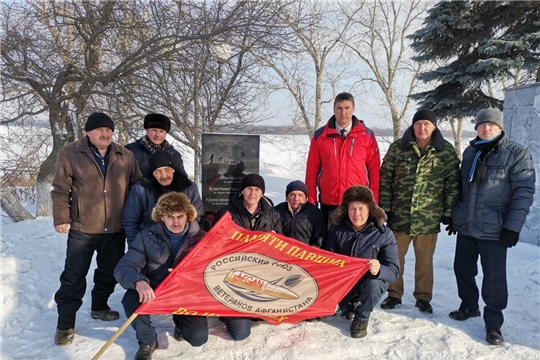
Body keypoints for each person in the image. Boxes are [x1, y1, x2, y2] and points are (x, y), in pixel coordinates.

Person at [51, 112, 141, 345]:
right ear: (88, 132)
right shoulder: (70, 152)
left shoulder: (125, 155)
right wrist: (62, 217)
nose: (105, 134)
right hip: (83, 227)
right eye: (100, 130)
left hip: (115, 228)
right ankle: (65, 324)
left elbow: (137, 188)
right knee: (73, 275)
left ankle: (100, 306)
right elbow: (61, 189)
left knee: (109, 272)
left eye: (109, 130)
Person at [448, 108, 535, 346]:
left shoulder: (516, 154)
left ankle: (493, 323)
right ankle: (469, 306)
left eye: (491, 125)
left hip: (495, 229)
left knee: (494, 279)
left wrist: (512, 228)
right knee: (462, 269)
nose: (486, 128)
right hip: (467, 226)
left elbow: (523, 193)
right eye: (482, 124)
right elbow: (462, 189)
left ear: (500, 128)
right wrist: (455, 217)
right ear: (476, 127)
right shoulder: (470, 152)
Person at [378, 109, 461, 314]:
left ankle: (423, 297)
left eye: (426, 124)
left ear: (434, 126)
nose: (422, 128)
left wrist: (448, 212)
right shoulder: (398, 148)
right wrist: (386, 209)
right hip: (400, 215)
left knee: (425, 260)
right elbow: (385, 178)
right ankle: (394, 294)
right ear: (412, 126)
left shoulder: (445, 151)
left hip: (428, 217)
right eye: (418, 124)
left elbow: (453, 183)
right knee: (395, 258)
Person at [115, 192, 208, 360]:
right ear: (161, 217)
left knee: (198, 338)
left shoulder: (201, 238)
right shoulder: (145, 236)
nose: (176, 222)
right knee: (130, 299)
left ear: (188, 215)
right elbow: (124, 267)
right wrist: (139, 282)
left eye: (180, 216)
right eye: (170, 216)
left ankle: (180, 322)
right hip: (155, 287)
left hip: (185, 292)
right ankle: (148, 341)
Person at [212, 173, 282, 339]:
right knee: (241, 333)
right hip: (232, 275)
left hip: (261, 273)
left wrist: (273, 241)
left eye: (257, 189)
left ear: (262, 193)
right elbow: (214, 244)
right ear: (242, 191)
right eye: (249, 188)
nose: (252, 193)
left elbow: (281, 247)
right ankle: (227, 311)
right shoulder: (226, 213)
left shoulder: (272, 215)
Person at [325, 185, 399, 339]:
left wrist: (379, 269)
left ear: (370, 209)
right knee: (327, 312)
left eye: (361, 208)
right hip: (344, 283)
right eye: (352, 208)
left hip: (369, 282)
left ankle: (362, 316)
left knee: (374, 284)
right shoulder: (337, 231)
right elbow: (327, 260)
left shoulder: (384, 234)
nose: (356, 213)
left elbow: (394, 271)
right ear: (346, 210)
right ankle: (347, 306)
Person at [305, 92, 381, 228]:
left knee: (355, 245)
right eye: (339, 108)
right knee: (329, 245)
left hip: (357, 203)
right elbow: (312, 171)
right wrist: (311, 200)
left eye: (347, 108)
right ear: (334, 109)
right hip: (330, 202)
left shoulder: (366, 136)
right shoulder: (320, 136)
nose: (343, 112)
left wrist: (373, 201)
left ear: (353, 108)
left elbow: (374, 172)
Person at [123, 151, 204, 247]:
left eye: (167, 170)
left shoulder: (189, 187)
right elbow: (131, 221)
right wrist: (136, 247)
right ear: (152, 173)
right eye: (158, 171)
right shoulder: (141, 189)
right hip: (150, 244)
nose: (164, 176)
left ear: (173, 170)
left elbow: (198, 218)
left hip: (184, 243)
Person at [274, 180, 326, 247]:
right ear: (287, 197)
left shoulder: (315, 213)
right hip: (281, 251)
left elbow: (319, 239)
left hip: (306, 254)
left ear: (306, 198)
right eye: (292, 195)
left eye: (300, 195)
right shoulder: (277, 211)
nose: (296, 198)